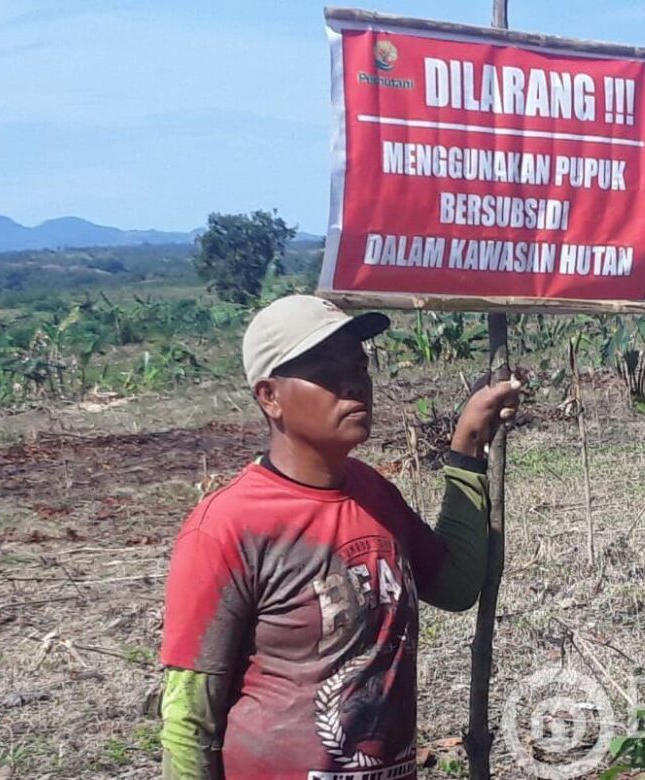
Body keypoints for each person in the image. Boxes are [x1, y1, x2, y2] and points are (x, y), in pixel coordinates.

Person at [159, 295, 520, 779]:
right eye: (328, 372)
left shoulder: (373, 494)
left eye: (360, 367)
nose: (354, 384)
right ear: (270, 396)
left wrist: (467, 447)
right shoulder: (229, 526)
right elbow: (189, 718)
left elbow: (454, 587)